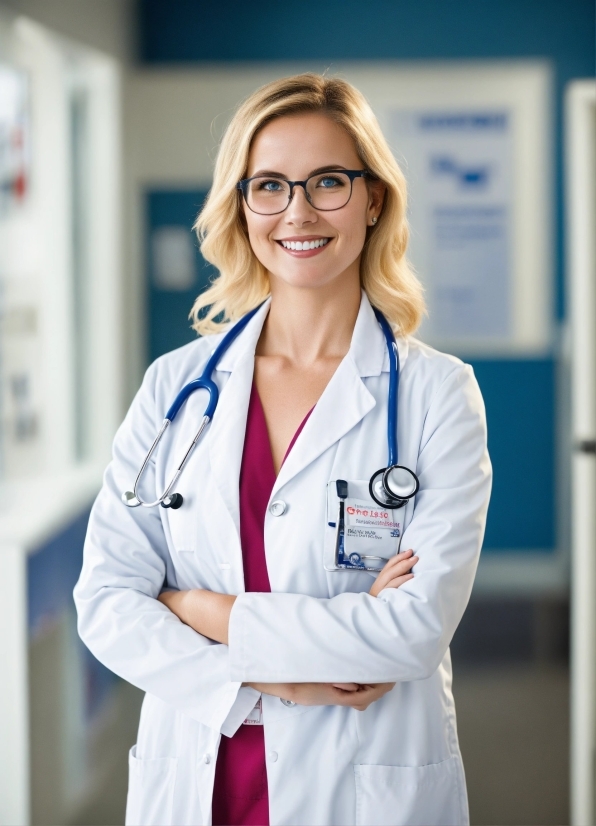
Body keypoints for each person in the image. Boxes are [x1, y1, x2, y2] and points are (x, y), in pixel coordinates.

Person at [74, 73, 491, 826]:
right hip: (203, 771)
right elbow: (106, 605)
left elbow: (410, 633)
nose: (297, 211)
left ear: (373, 198)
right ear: (242, 204)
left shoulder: (437, 395)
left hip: (364, 785)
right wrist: (272, 681)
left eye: (328, 181)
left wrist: (199, 608)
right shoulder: (177, 386)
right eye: (269, 184)